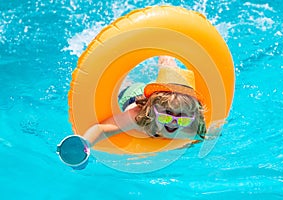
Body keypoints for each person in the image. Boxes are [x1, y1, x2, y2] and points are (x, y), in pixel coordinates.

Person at [57, 56, 207, 169]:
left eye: (182, 119)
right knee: (128, 80)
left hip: (159, 97)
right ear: (153, 111)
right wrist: (86, 144)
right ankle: (164, 52)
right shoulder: (138, 118)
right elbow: (102, 129)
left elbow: (204, 137)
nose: (174, 121)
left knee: (173, 79)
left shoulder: (191, 128)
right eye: (167, 114)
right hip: (132, 95)